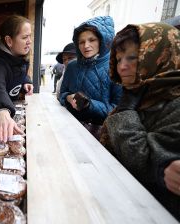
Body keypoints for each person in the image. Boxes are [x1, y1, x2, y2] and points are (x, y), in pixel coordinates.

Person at [100, 22, 180, 220]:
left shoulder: (174, 104)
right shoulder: (142, 94)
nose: (122, 66)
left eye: (133, 58)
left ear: (160, 56)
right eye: (118, 59)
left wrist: (124, 111)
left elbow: (140, 160)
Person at [58, 16, 122, 138]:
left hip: (102, 135)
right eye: (81, 42)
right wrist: (68, 98)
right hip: (69, 127)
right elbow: (62, 94)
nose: (86, 45)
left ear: (102, 40)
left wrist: (89, 105)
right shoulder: (71, 66)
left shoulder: (117, 67)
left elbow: (118, 111)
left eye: (92, 40)